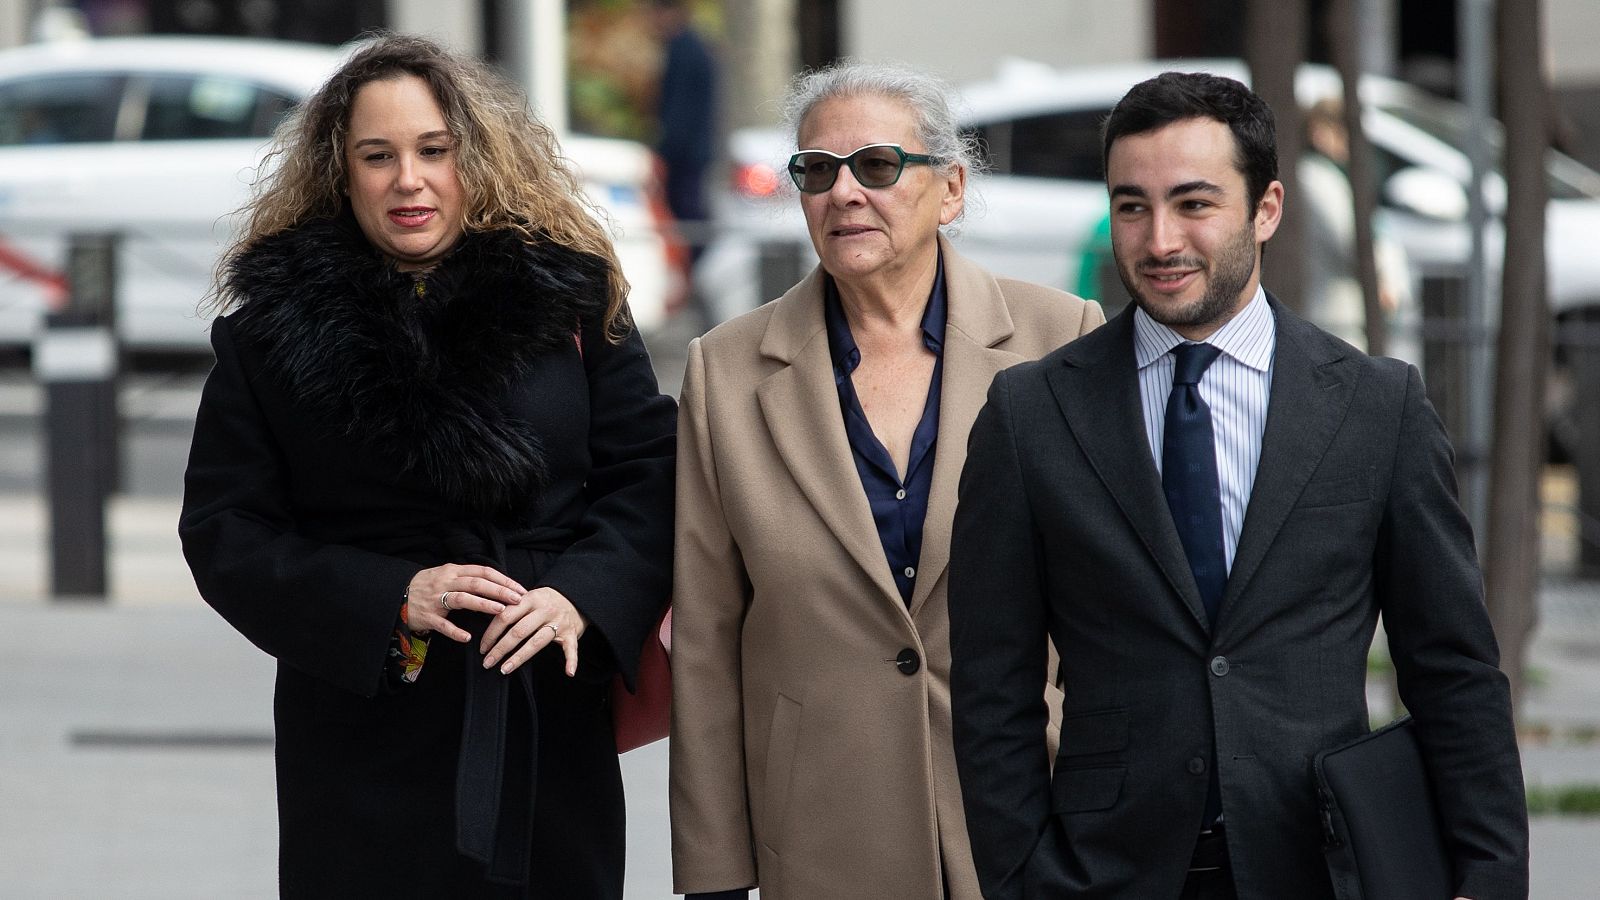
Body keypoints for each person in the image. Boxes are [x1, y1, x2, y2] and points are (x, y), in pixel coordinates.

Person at [948, 72, 1527, 900]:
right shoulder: (1031, 412)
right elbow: (991, 687)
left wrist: (1492, 874)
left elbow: (1453, 667)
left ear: (1267, 209)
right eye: (1132, 205)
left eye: (1194, 204)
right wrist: (1024, 879)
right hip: (1105, 871)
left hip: (1322, 865)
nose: (1159, 241)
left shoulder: (1376, 406)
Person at [178, 35, 675, 897]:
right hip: (364, 727)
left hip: (541, 706)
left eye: (433, 150)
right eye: (378, 156)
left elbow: (652, 472)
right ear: (343, 172)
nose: (408, 179)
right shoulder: (269, 334)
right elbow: (226, 532)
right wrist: (392, 598)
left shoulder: (572, 298)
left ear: (473, 159)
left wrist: (583, 597)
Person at [669, 62, 1104, 900]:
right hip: (822, 830)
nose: (844, 194)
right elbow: (706, 642)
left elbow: (1114, 607)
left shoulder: (1062, 340)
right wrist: (714, 871)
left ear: (950, 191)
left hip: (1032, 825)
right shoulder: (724, 372)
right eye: (817, 171)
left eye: (876, 166)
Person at [650, 0, 716, 251]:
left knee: (686, 215)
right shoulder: (693, 47)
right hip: (692, 150)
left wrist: (665, 150)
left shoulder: (684, 50)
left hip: (684, 153)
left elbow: (679, 109)